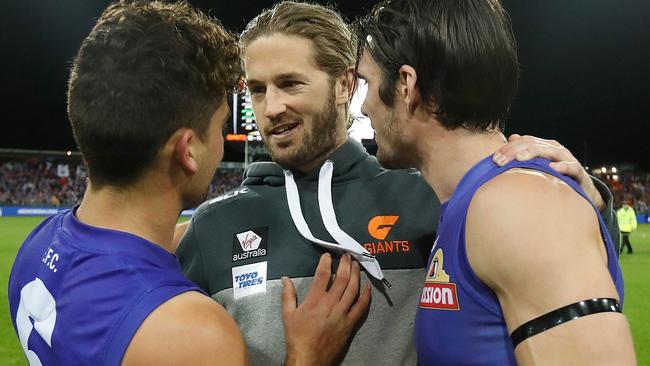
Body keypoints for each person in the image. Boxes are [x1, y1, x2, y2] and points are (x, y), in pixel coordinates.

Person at [176, 1, 622, 364]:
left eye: (290, 83)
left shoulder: (432, 197)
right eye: (256, 90)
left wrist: (584, 196)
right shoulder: (212, 226)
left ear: (344, 86)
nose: (270, 107)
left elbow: (552, 257)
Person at [7, 1, 369, 365]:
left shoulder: (36, 246)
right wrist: (305, 356)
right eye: (220, 125)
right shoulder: (193, 334)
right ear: (187, 150)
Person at [354, 0, 636, 364]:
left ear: (406, 85)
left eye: (368, 83)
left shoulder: (516, 205)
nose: (363, 108)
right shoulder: (476, 201)